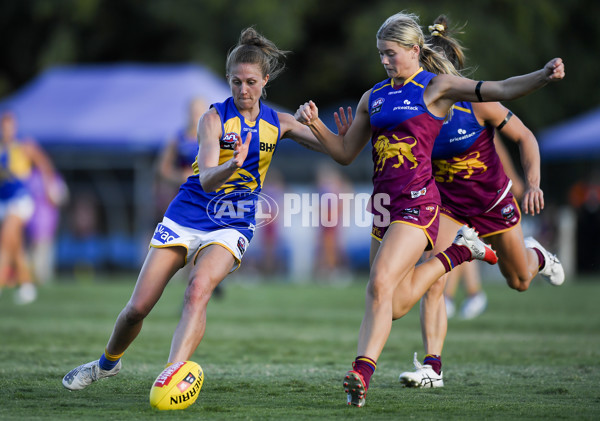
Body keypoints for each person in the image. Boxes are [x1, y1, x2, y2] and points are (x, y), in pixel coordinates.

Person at [295, 11, 564, 407]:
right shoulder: (375, 95)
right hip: (399, 206)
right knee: (396, 300)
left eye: (391, 53)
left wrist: (541, 76)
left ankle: (362, 373)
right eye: (380, 54)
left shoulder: (440, 89)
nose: (384, 61)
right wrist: (314, 126)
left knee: (510, 279)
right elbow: (345, 153)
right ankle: (457, 267)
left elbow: (503, 89)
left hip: (443, 201)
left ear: (414, 50)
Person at [62, 27, 329, 392]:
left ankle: (171, 377)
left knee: (197, 289)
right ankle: (107, 364)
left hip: (233, 221)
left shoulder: (278, 122)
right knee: (138, 307)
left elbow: (338, 150)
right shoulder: (212, 119)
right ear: (228, 80)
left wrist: (318, 124)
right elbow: (205, 178)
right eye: (236, 82)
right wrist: (231, 165)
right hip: (188, 212)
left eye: (251, 82)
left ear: (265, 81)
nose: (243, 90)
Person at [398, 15, 565, 389]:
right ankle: (432, 368)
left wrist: (533, 184)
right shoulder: (412, 110)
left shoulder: (476, 105)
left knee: (519, 280)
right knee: (434, 274)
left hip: (494, 203)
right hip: (448, 208)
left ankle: (537, 256)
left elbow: (525, 138)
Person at [0, 111, 63, 301]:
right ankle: (27, 286)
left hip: (20, 201)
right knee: (15, 246)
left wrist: (50, 187)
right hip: (4, 202)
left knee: (6, 237)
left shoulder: (24, 147)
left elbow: (44, 164)